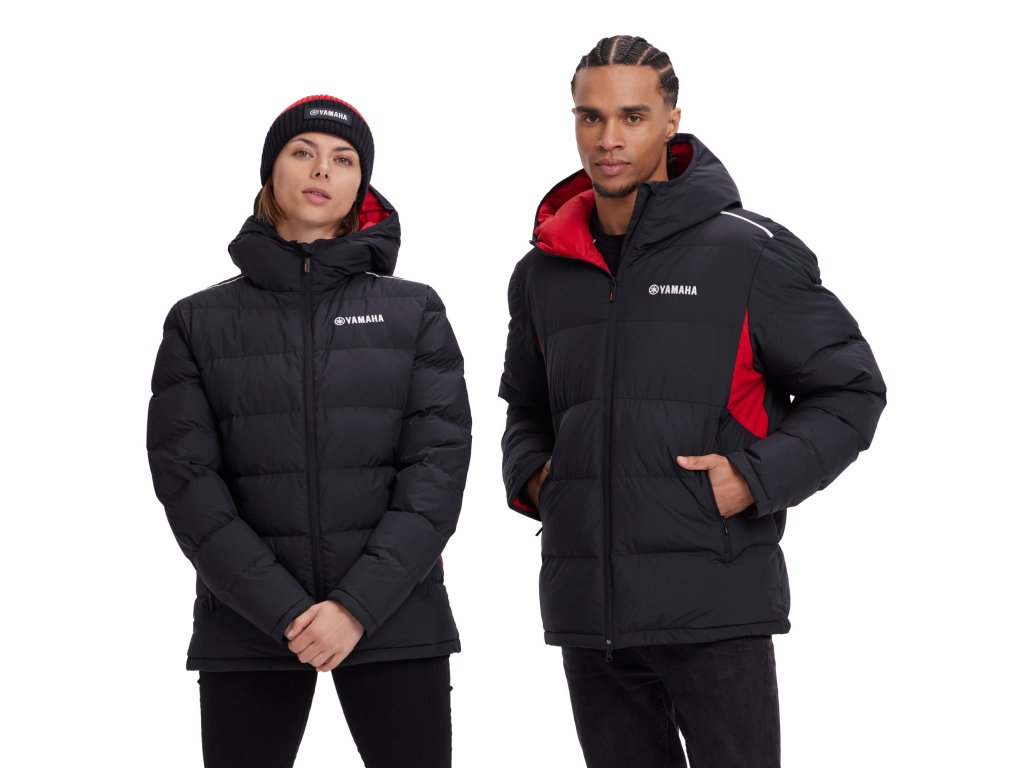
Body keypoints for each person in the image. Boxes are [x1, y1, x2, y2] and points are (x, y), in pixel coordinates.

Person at [499, 36, 886, 768]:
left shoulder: (748, 253)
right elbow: (526, 404)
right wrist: (541, 480)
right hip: (590, 615)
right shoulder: (544, 271)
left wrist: (754, 478)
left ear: (672, 121)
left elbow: (852, 389)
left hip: (715, 607)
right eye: (590, 117)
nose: (608, 139)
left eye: (632, 116)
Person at [147, 95, 471, 768]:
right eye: (303, 152)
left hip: (394, 612)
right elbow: (188, 484)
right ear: (272, 170)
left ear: (360, 187)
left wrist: (354, 607)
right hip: (249, 621)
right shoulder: (198, 322)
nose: (322, 169)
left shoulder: (413, 311)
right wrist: (284, 611)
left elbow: (436, 471)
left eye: (343, 159)